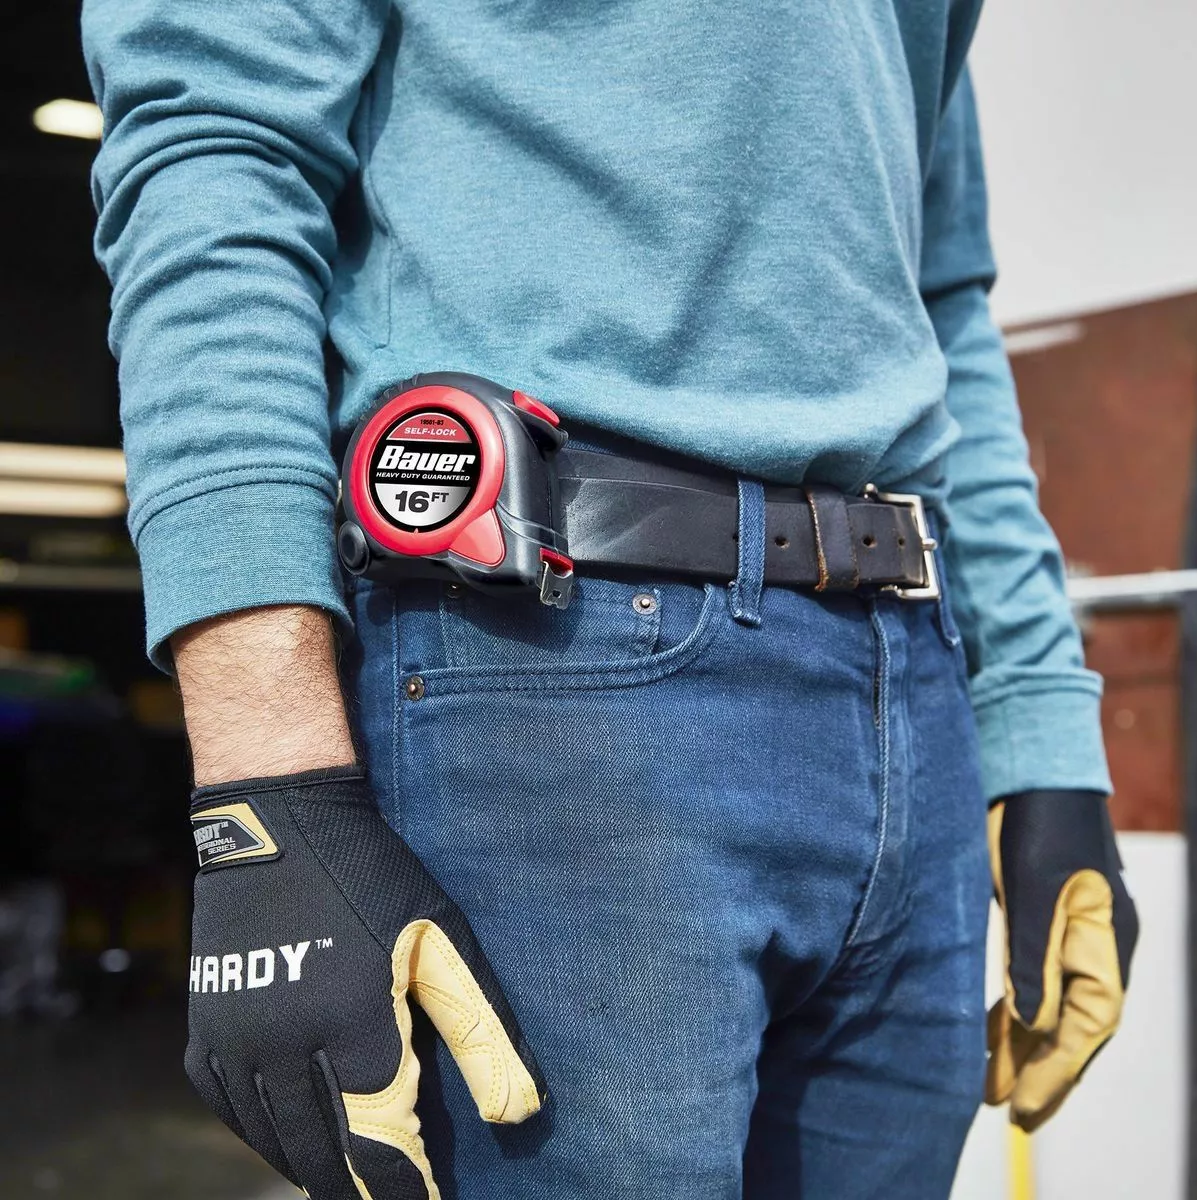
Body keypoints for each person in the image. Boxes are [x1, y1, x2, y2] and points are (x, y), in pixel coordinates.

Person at [82, 1, 1137, 1197]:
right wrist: (265, 794)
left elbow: (940, 292)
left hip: (912, 676)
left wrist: (1043, 737)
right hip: (560, 678)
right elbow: (216, 150)